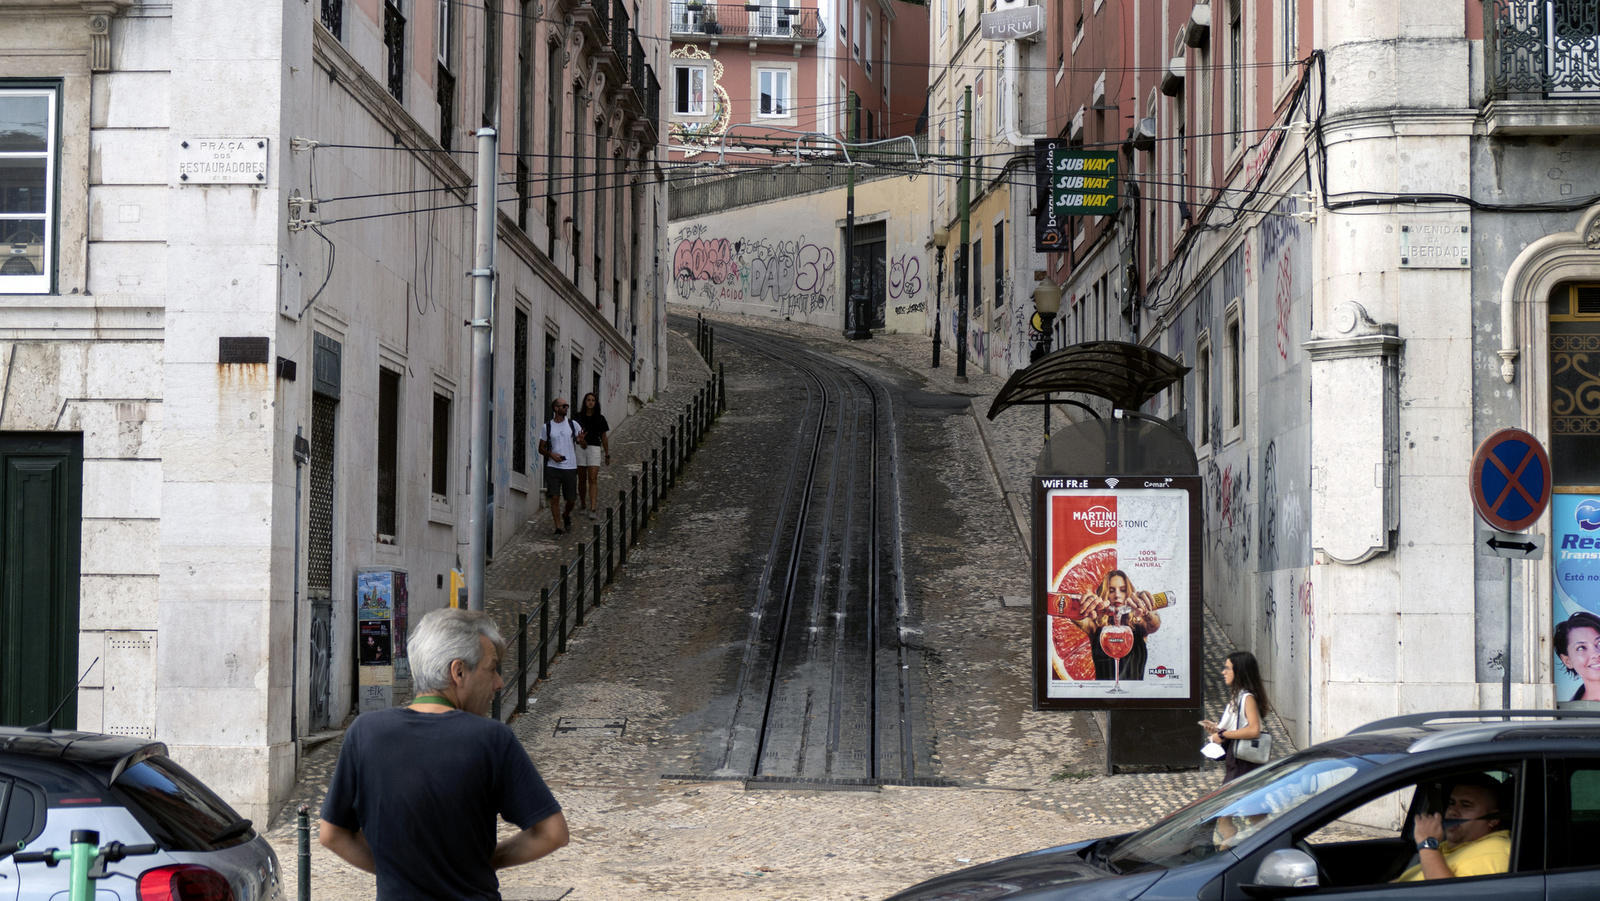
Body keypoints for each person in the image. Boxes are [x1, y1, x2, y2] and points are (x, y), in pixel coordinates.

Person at [320, 609, 568, 901]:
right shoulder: (491, 739)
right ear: (458, 672)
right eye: (492, 668)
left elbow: (332, 834)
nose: (499, 682)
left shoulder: (365, 733)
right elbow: (553, 833)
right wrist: (482, 863)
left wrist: (402, 872)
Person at [1394, 774, 1511, 882]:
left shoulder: (1495, 851)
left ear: (1493, 820)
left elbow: (1448, 895)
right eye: (1452, 803)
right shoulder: (1454, 845)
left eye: (1466, 805)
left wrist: (1427, 844)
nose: (1452, 811)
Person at [1070, 570, 1161, 681]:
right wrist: (1081, 605)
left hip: (1134, 695)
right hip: (1102, 696)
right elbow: (1069, 612)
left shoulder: (1140, 625)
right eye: (1111, 590)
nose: (1117, 595)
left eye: (1122, 590)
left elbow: (1155, 623)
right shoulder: (1094, 624)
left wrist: (1146, 610)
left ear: (1129, 593)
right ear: (1104, 594)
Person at [1201, 651, 1271, 783]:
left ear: (1239, 671)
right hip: (1236, 757)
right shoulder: (1239, 695)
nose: (1223, 672)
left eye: (1227, 668)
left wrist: (1223, 735)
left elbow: (1253, 730)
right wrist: (1217, 728)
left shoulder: (1247, 697)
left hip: (1243, 760)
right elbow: (1239, 724)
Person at [538, 398, 584, 536]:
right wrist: (551, 454)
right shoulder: (547, 427)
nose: (566, 408)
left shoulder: (572, 424)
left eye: (567, 406)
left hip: (570, 466)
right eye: (564, 406)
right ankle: (558, 528)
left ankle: (566, 514)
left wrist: (582, 441)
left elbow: (583, 445)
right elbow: (541, 448)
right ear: (556, 408)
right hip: (553, 467)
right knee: (555, 497)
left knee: (571, 499)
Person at [571, 392, 610, 520]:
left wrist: (607, 453)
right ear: (585, 402)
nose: (591, 402)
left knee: (592, 478)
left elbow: (604, 436)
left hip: (594, 449)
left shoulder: (600, 418)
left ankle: (593, 507)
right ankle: (583, 503)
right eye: (588, 400)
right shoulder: (578, 417)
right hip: (579, 448)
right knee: (582, 479)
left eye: (593, 400)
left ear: (596, 402)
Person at [1555, 610, 1600, 702]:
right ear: (1567, 661)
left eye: (1599, 643)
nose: (1595, 654)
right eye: (1581, 648)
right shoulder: (1568, 712)